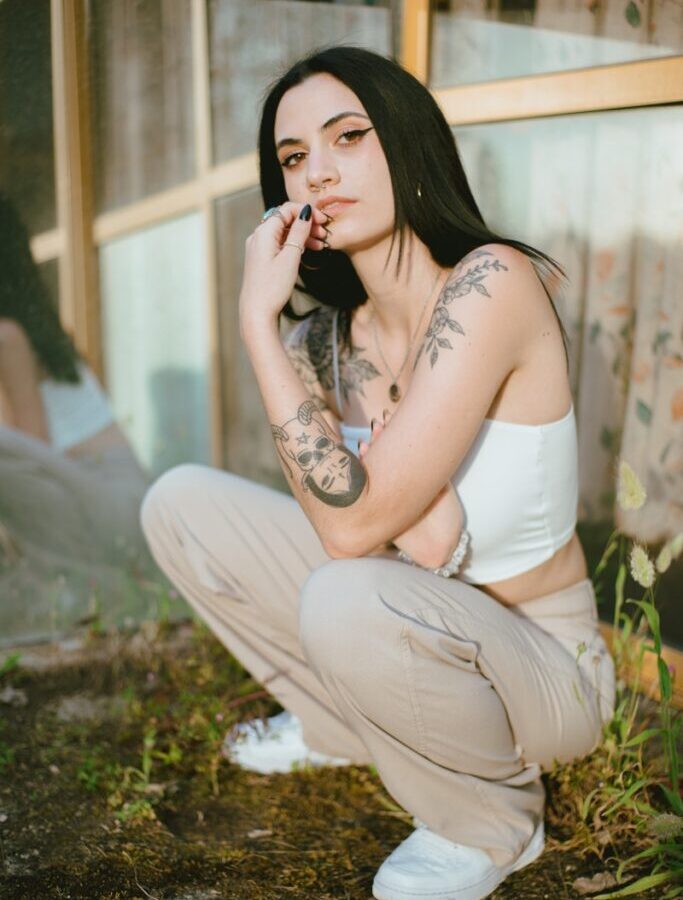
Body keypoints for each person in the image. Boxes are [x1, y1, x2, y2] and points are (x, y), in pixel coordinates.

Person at [139, 45, 616, 900]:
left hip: (545, 672)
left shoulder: (491, 282)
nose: (317, 172)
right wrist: (257, 323)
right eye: (293, 157)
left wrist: (400, 523)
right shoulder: (317, 344)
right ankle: (339, 725)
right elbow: (358, 528)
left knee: (345, 589)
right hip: (406, 611)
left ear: (405, 141)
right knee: (178, 504)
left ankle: (492, 819)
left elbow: (351, 530)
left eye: (347, 137)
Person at [0, 191, 162, 641]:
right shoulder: (28, 332)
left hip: (118, 508)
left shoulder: (7, 337)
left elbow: (32, 452)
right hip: (117, 508)